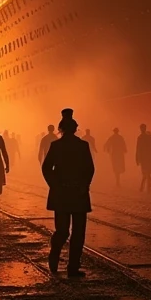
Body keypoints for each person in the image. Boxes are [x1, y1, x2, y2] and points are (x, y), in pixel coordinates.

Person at [42, 108, 95, 278]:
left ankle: (55, 254)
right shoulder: (82, 146)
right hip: (78, 193)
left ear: (61, 129)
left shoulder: (56, 146)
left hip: (62, 193)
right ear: (75, 129)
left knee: (62, 230)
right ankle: (73, 267)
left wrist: (54, 185)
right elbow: (90, 169)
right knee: (79, 232)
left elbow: (46, 168)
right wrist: (84, 185)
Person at [136, 124, 151, 193]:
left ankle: (144, 187)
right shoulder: (149, 137)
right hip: (148, 157)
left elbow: (138, 148)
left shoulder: (141, 137)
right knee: (147, 173)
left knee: (146, 173)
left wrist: (137, 158)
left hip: (146, 158)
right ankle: (147, 187)